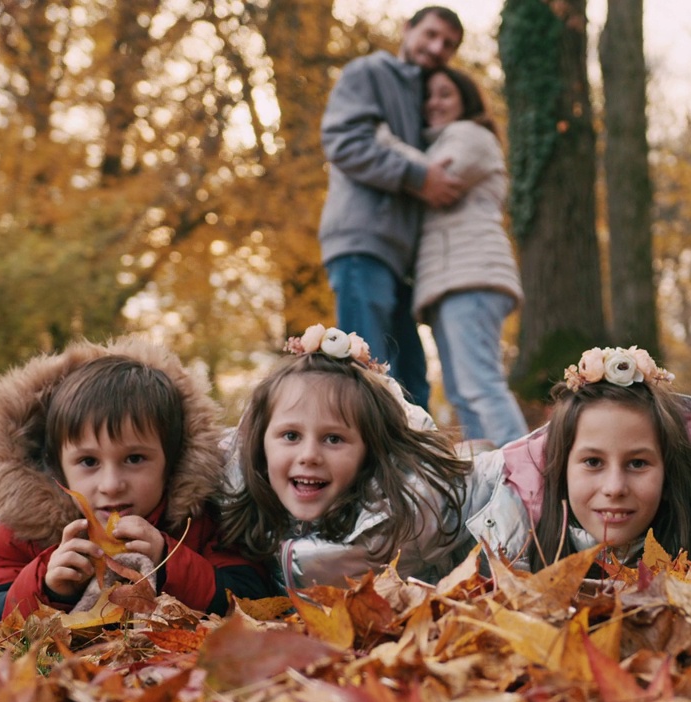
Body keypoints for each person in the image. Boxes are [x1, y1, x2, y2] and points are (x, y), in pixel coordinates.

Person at [0, 338, 271, 620]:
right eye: (89, 462)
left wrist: (168, 559)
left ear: (173, 461)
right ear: (57, 468)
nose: (111, 484)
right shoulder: (27, 531)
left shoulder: (198, 522)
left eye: (134, 459)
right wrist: (46, 585)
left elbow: (250, 599)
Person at [219, 324, 472, 589]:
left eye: (333, 439)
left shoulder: (411, 520)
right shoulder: (236, 509)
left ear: (371, 449)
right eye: (291, 436)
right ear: (261, 444)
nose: (309, 456)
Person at [318, 6, 466, 410]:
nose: (438, 48)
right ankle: (366, 471)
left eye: (448, 44)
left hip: (404, 258)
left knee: (412, 380)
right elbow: (344, 142)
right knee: (367, 375)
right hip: (363, 242)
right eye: (431, 35)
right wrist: (420, 177)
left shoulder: (428, 98)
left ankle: (413, 469)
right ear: (407, 30)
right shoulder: (368, 74)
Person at [464, 346, 691, 571]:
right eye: (593, 462)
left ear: (667, 473)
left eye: (637, 463)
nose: (614, 488)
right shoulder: (507, 544)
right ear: (561, 469)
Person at [375, 66, 526, 447]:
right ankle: (490, 482)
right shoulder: (440, 141)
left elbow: (437, 176)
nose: (433, 103)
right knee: (462, 393)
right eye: (428, 96)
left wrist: (383, 140)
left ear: (466, 100)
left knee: (480, 385)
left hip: (473, 275)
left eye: (444, 94)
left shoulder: (469, 135)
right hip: (449, 282)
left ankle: (531, 480)